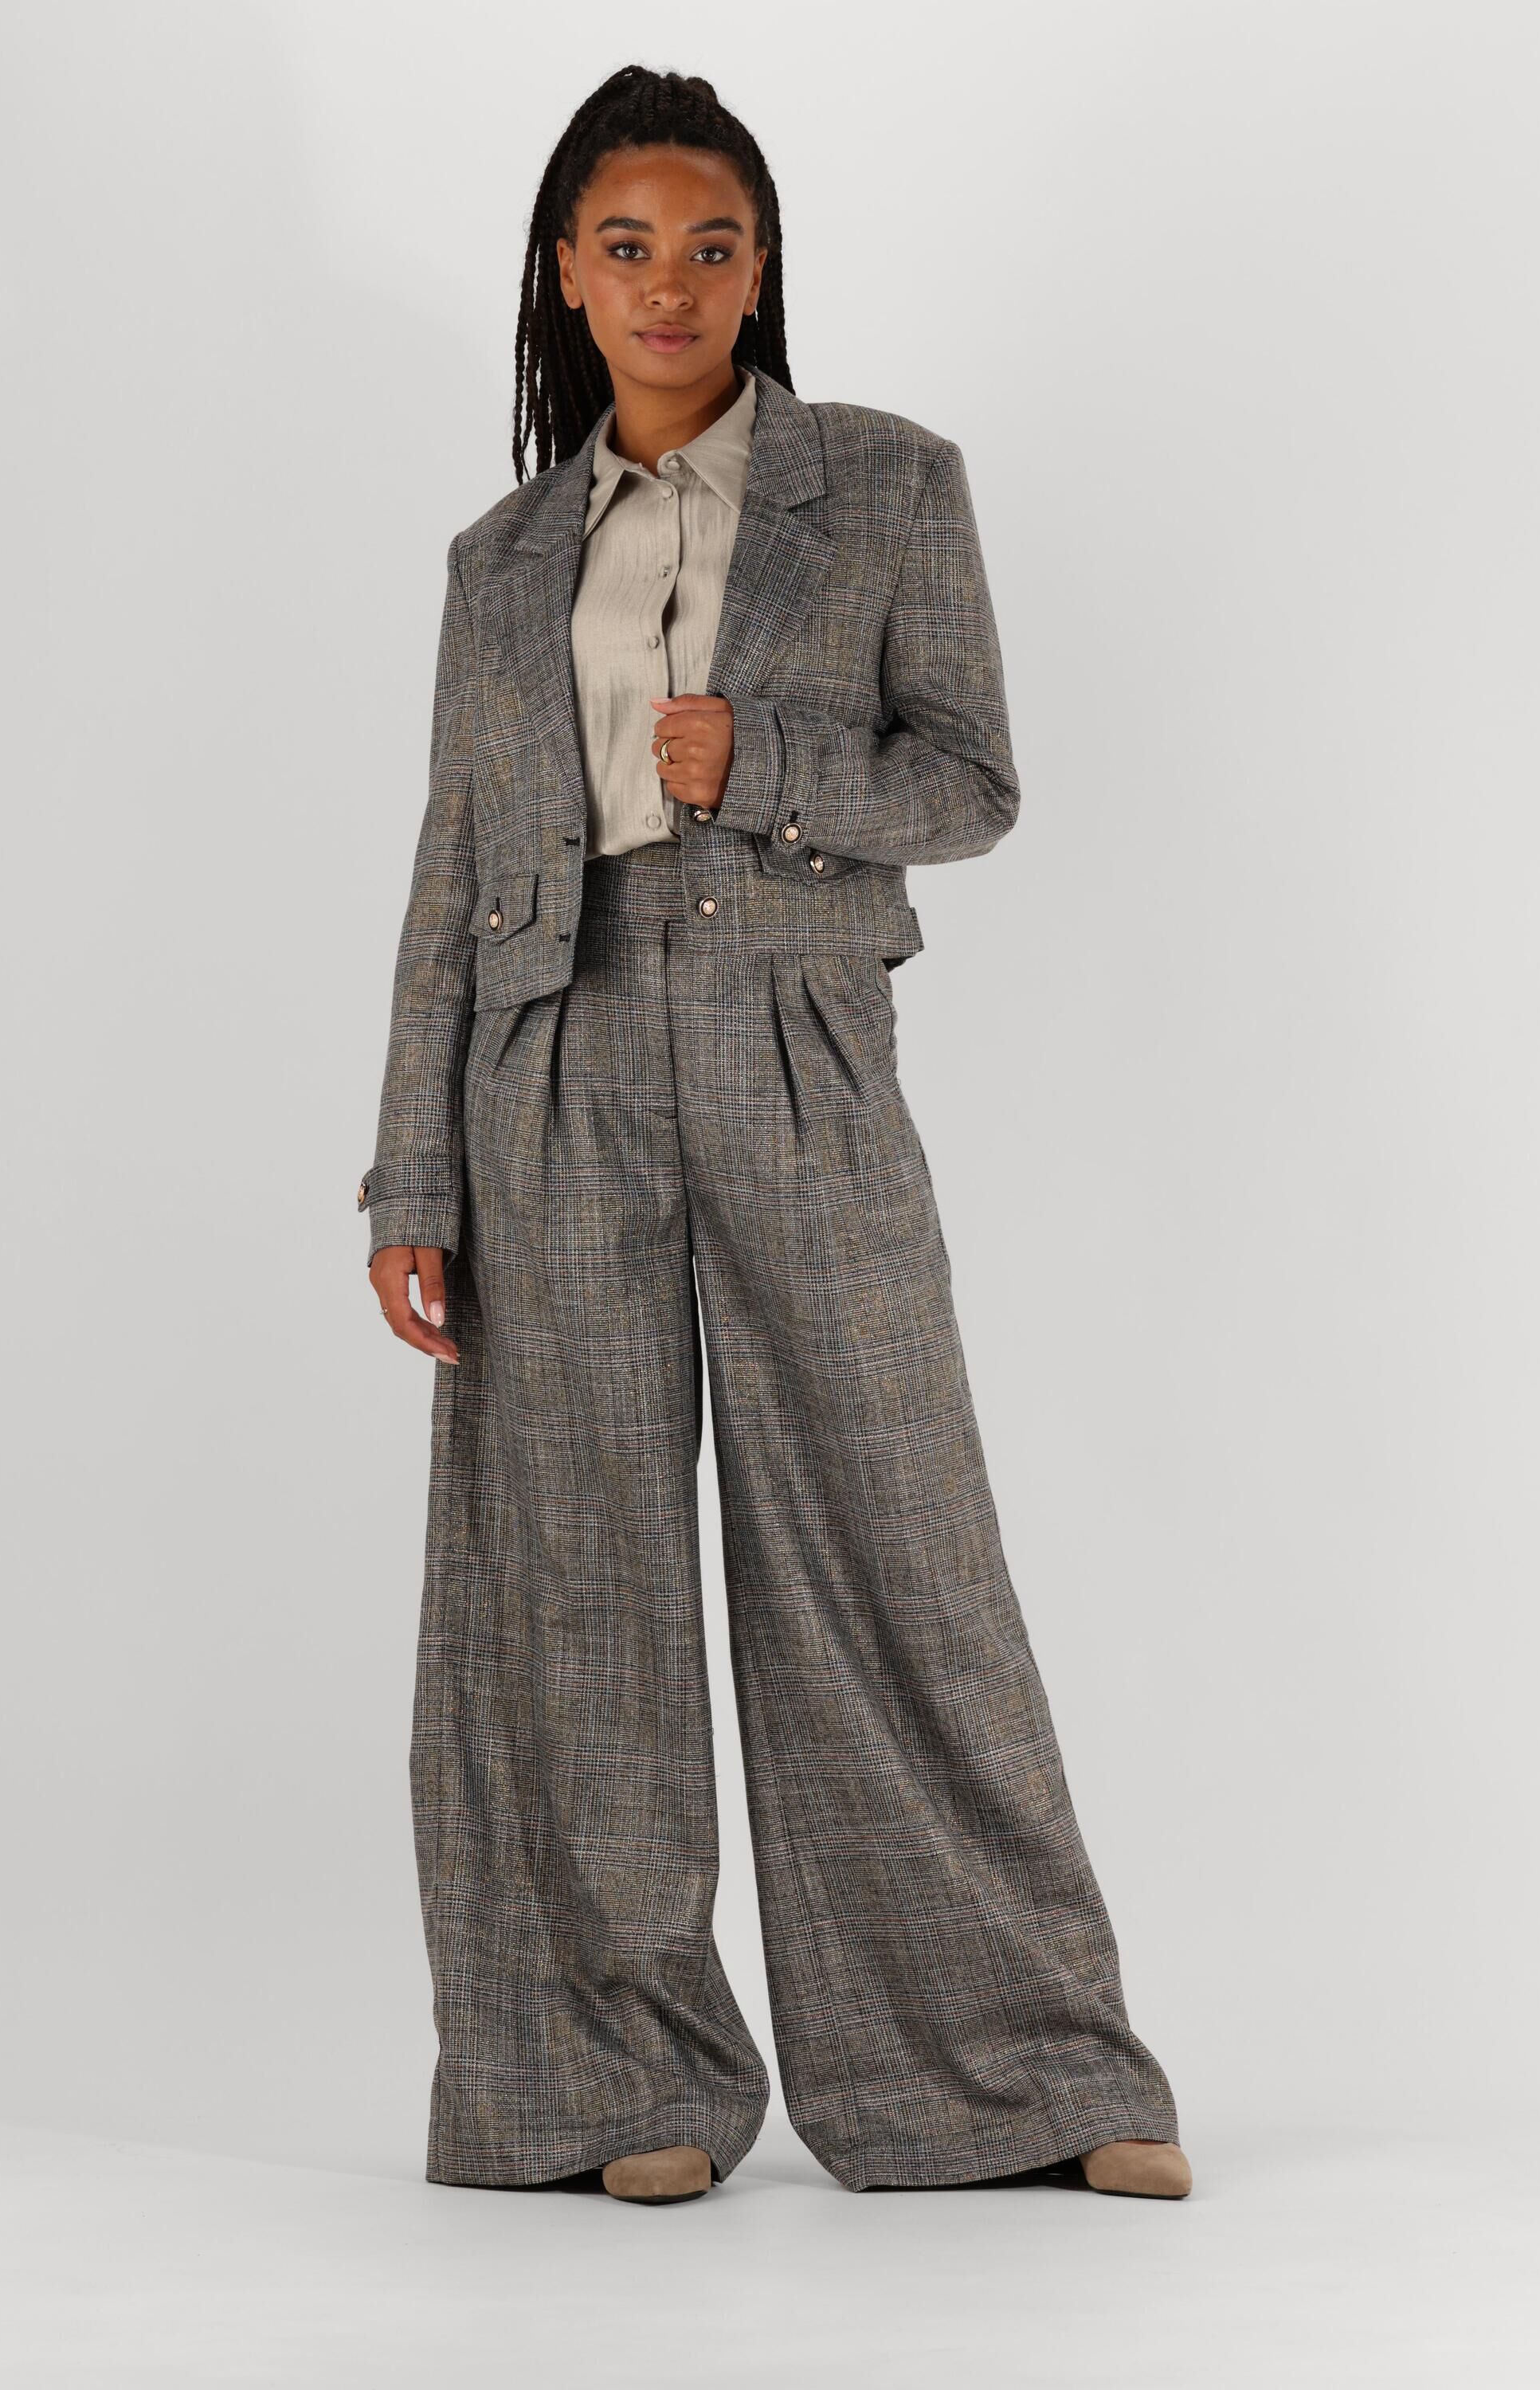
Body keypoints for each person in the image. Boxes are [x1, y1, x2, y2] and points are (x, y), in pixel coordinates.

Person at [359, 65, 1191, 2207]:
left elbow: (974, 785)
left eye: (711, 246)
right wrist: (412, 1173)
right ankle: (605, 2080)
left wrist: (777, 764)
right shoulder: (496, 561)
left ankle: (1012, 2073)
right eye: (626, 245)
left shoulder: (886, 486)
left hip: (797, 1038)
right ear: (565, 273)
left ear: (760, 271)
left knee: (895, 1546)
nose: (670, 284)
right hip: (545, 1066)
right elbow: (448, 880)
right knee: (571, 1580)